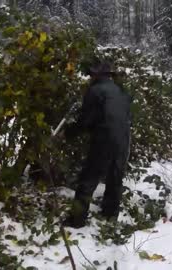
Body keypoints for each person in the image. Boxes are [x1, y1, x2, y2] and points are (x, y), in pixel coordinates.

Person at [61, 60, 132, 228]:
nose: (89, 77)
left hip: (104, 139)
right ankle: (110, 215)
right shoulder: (122, 92)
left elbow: (86, 120)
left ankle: (76, 220)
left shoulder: (95, 91)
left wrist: (69, 132)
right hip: (123, 139)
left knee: (89, 178)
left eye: (91, 74)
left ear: (96, 75)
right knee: (115, 177)